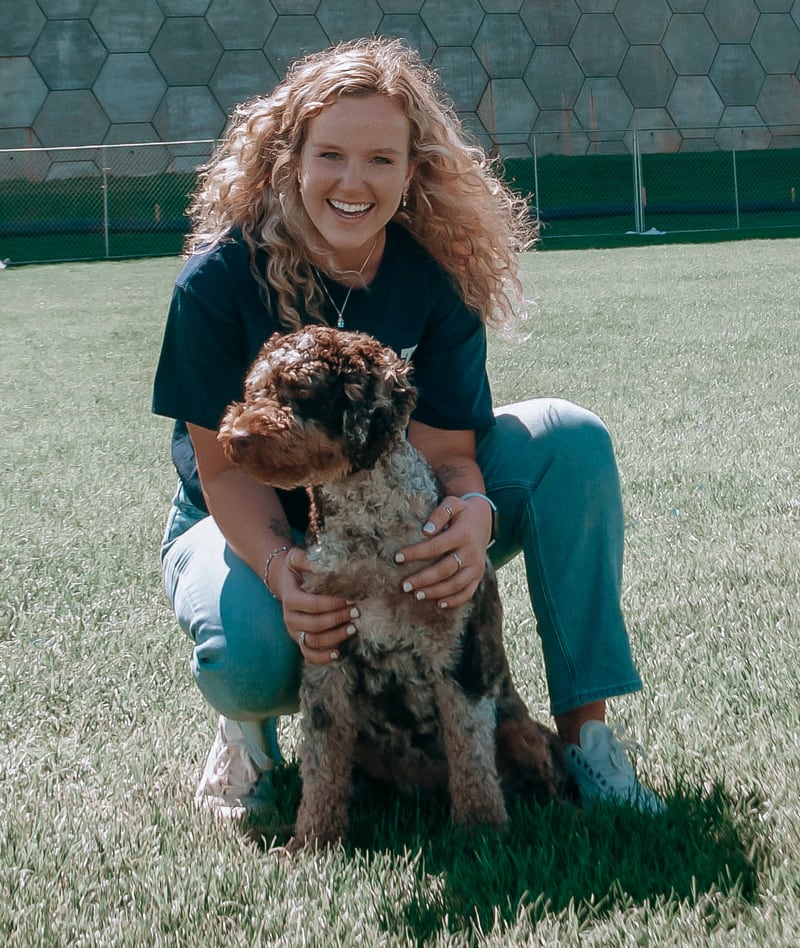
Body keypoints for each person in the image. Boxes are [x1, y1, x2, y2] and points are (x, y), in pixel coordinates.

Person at [152, 37, 662, 820]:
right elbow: (222, 471)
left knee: (573, 439)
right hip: (252, 521)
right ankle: (247, 734)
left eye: (381, 160)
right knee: (252, 654)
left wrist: (473, 515)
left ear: (412, 169)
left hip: (398, 504)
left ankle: (584, 741)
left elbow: (450, 453)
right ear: (291, 159)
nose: (353, 182)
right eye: (331, 155)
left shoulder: (434, 276)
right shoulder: (219, 280)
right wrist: (285, 567)